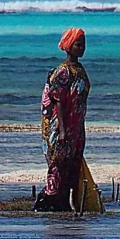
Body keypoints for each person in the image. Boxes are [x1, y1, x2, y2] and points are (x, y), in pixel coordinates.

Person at [35, 27, 100, 212]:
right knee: (58, 166)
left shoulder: (79, 69)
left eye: (83, 45)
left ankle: (64, 204)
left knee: (72, 167)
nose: (82, 48)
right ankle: (46, 203)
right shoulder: (62, 72)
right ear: (68, 46)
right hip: (60, 128)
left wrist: (78, 130)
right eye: (78, 45)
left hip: (76, 128)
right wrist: (62, 131)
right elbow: (59, 102)